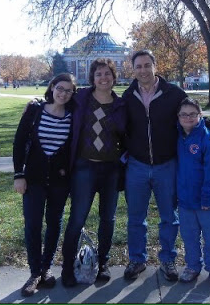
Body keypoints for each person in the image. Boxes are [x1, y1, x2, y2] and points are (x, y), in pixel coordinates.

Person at [121, 50, 210, 282]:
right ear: (133, 70)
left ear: (155, 67)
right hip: (137, 166)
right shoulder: (128, 96)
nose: (143, 70)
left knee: (169, 216)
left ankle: (168, 258)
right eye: (138, 66)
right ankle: (137, 259)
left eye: (147, 65)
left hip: (167, 165)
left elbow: (193, 114)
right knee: (136, 217)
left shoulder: (173, 93)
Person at [60, 58, 127, 287]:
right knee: (77, 219)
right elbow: (57, 101)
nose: (103, 78)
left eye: (107, 73)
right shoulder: (80, 100)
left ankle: (104, 262)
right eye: (98, 74)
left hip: (110, 170)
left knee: (107, 219)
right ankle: (67, 267)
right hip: (84, 168)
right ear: (92, 78)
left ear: (113, 77)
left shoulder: (120, 105)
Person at [12, 73, 76, 297]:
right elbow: (19, 142)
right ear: (52, 87)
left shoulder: (73, 114)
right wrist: (18, 175)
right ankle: (34, 273)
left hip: (60, 181)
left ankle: (46, 268)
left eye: (68, 90)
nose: (63, 93)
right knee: (33, 225)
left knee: (54, 223)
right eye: (60, 88)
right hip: (33, 179)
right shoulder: (35, 110)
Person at [175, 98, 210, 288]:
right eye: (183, 114)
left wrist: (208, 198)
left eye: (192, 114)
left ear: (200, 115)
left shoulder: (209, 138)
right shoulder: (178, 137)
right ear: (178, 117)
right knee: (189, 236)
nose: (188, 118)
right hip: (186, 199)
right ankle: (192, 266)